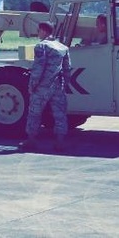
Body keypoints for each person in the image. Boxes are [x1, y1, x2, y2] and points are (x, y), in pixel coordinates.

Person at [20, 21, 72, 151]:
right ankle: (60, 142)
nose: (38, 33)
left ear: (43, 31)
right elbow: (67, 68)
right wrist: (66, 84)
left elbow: (38, 68)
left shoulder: (41, 46)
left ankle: (31, 140)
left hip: (42, 86)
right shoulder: (63, 47)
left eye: (39, 31)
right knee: (60, 113)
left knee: (34, 113)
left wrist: (32, 85)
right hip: (58, 85)